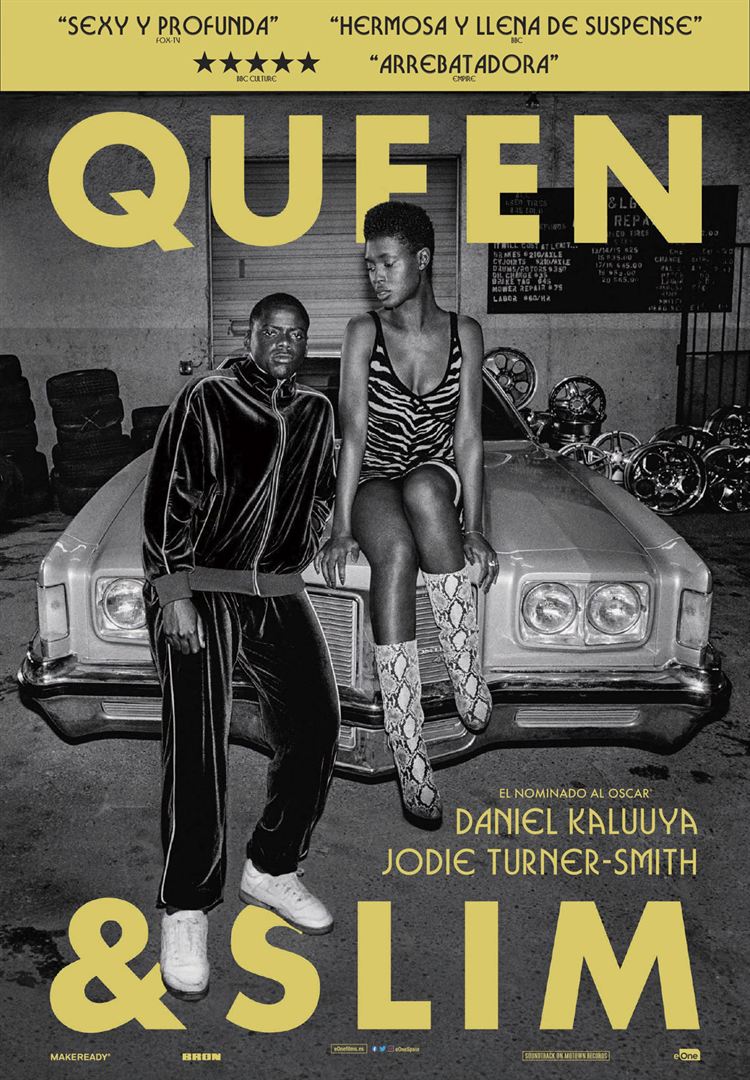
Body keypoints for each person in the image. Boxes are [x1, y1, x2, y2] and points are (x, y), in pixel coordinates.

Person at [142, 293, 340, 1001]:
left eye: (297, 334)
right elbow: (167, 495)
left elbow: (322, 492)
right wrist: (174, 592)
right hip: (200, 586)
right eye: (273, 331)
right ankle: (186, 904)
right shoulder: (208, 398)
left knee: (317, 725)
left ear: (307, 344)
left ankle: (271, 867)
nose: (285, 342)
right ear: (250, 336)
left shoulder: (316, 412)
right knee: (199, 746)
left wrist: (308, 540)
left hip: (276, 590)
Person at [316, 202, 498, 827]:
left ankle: (464, 666)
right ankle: (409, 752)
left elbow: (468, 436)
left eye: (387, 263)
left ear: (422, 260)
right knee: (392, 554)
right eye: (370, 265)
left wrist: (476, 529)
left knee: (423, 487)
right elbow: (352, 434)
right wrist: (341, 528)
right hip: (374, 475)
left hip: (434, 474)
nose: (376, 276)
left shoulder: (466, 332)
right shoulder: (362, 332)